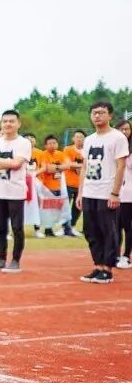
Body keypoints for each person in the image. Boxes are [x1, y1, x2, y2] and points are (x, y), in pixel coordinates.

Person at [78, 102, 128, 284]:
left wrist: (115, 193)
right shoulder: (89, 140)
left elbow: (121, 165)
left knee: (108, 230)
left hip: (106, 192)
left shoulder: (117, 138)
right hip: (89, 191)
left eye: (101, 113)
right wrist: (80, 193)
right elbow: (85, 167)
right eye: (94, 113)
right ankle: (98, 265)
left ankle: (107, 268)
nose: (97, 116)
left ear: (110, 116)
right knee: (90, 230)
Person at [0, 110, 32, 273]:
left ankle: (15, 260)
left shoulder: (23, 143)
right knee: (0, 228)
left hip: (15, 192)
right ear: (1, 124)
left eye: (11, 121)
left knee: (17, 227)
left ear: (18, 124)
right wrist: (7, 162)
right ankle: (1, 258)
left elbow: (17, 164)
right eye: (5, 121)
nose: (8, 124)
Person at [33, 134, 70, 237]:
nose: (52, 145)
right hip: (46, 187)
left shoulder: (61, 154)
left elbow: (68, 165)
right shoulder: (43, 154)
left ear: (57, 144)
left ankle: (49, 229)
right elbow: (47, 169)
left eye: (54, 143)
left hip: (58, 186)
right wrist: (60, 167)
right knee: (44, 210)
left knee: (55, 210)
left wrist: (55, 167)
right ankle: (39, 229)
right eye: (49, 143)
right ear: (45, 145)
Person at [63, 129, 86, 234]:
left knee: (78, 207)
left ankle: (72, 226)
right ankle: (64, 227)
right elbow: (68, 164)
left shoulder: (86, 150)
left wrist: (78, 166)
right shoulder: (68, 149)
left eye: (81, 137)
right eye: (77, 137)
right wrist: (84, 166)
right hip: (68, 183)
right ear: (73, 138)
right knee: (65, 206)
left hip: (82, 184)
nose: (79, 139)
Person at [116, 119, 132, 269]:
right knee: (115, 226)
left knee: (127, 225)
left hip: (129, 193)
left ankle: (126, 255)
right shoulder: (113, 147)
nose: (125, 131)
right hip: (114, 192)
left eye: (127, 129)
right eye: (121, 129)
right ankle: (115, 254)